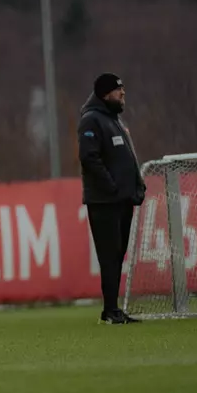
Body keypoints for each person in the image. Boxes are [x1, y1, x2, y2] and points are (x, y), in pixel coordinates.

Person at [78, 73, 146, 325]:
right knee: (109, 256)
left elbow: (127, 157)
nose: (123, 93)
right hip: (104, 202)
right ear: (105, 94)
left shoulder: (114, 120)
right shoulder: (91, 120)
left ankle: (114, 309)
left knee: (117, 255)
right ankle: (110, 311)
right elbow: (89, 157)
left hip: (122, 200)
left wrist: (136, 185)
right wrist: (111, 187)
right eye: (118, 90)